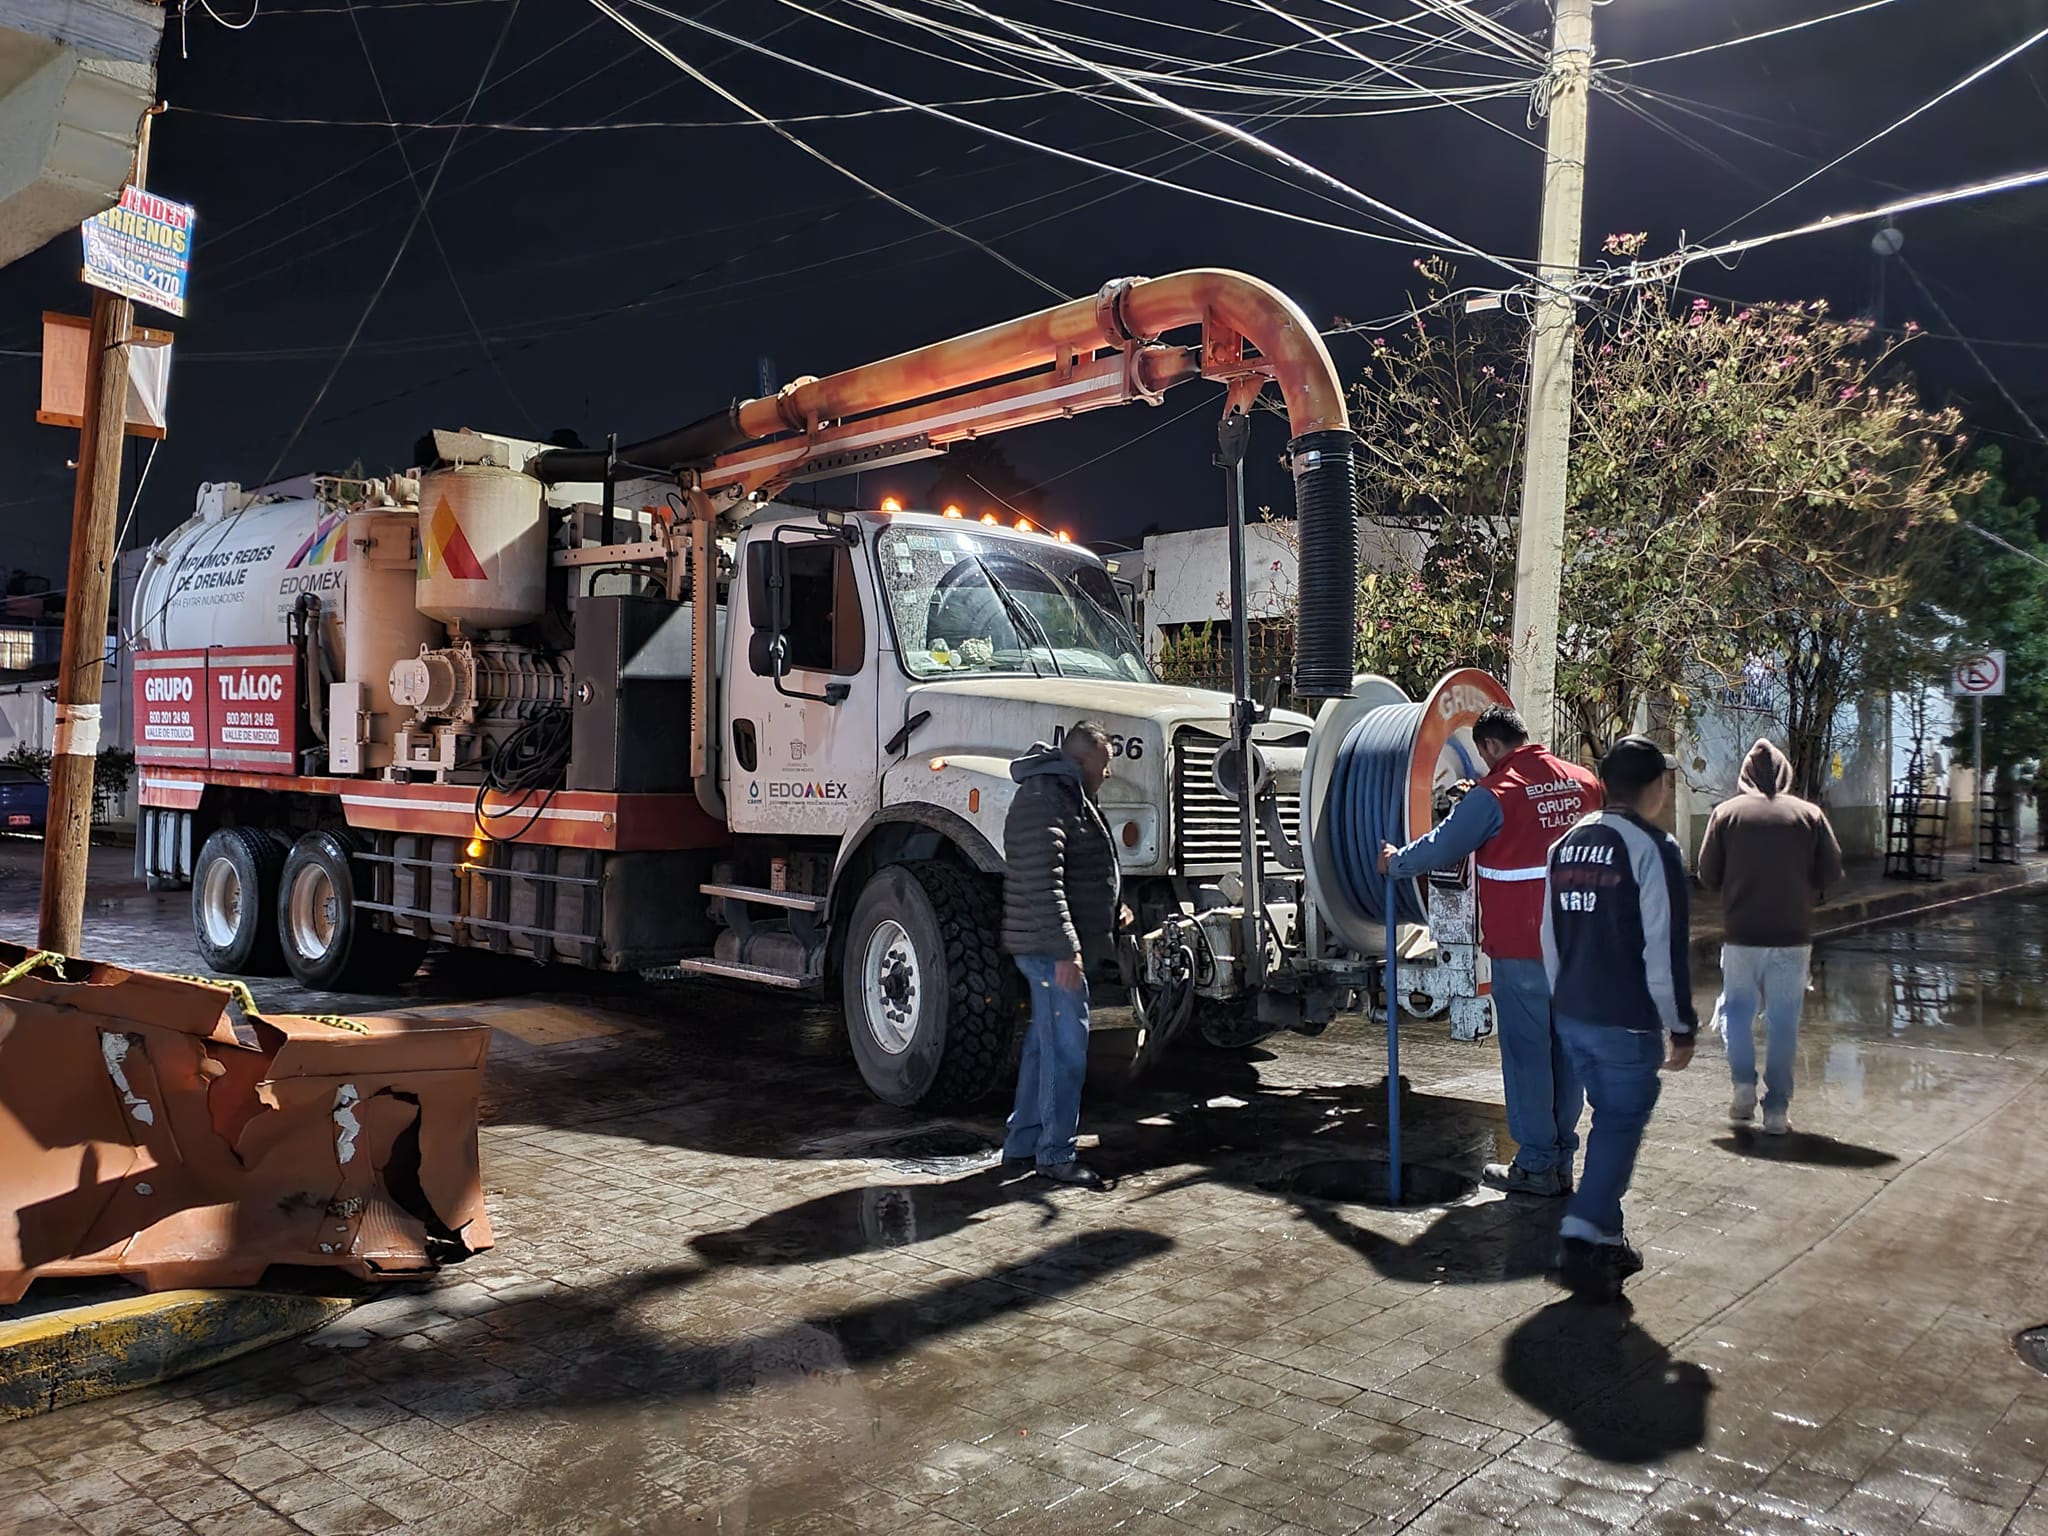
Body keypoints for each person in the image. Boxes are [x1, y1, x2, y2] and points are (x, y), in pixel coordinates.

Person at [1378, 704, 1602, 1197]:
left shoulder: (1495, 793)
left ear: (1489, 748)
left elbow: (1442, 845)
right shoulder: (1585, 782)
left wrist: (1398, 862)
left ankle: (1538, 1166)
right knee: (1567, 1053)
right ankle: (1562, 1160)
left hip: (1523, 948)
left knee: (1527, 1055)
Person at [1542, 735, 1697, 1302]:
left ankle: (1609, 1239)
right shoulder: (1655, 849)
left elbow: (1548, 937)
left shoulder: (1565, 845)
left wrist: (1565, 1002)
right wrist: (1679, 1026)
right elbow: (1663, 950)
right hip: (1623, 1019)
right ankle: (1585, 1228)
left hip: (1573, 1013)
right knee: (1618, 1122)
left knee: (1608, 1119)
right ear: (1655, 788)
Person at [1697, 739, 1844, 1136]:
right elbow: (1831, 873)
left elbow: (1707, 875)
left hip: (1742, 935)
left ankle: (1743, 1087)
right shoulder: (1809, 815)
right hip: (1792, 937)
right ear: (1786, 773)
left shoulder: (1725, 814)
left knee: (1738, 1015)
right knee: (1783, 1024)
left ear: (1744, 773)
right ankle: (1776, 1111)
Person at [1000, 723, 1121, 1189]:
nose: (1108, 774)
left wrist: (1116, 908)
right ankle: (1055, 1154)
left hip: (1049, 945)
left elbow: (1077, 870)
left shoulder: (1064, 793)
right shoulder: (1044, 798)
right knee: (1066, 1051)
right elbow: (1041, 883)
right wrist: (1067, 949)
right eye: (1104, 763)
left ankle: (1024, 1142)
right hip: (1050, 949)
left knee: (1044, 1046)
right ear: (1082, 760)